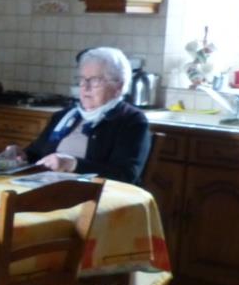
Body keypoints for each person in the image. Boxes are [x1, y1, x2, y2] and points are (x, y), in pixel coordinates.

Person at [9, 46, 150, 183]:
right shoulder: (64, 116)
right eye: (82, 79)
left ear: (118, 87)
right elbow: (36, 154)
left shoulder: (131, 121)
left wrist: (73, 164)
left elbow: (126, 175)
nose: (85, 87)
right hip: (47, 188)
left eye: (95, 80)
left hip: (94, 194)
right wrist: (22, 156)